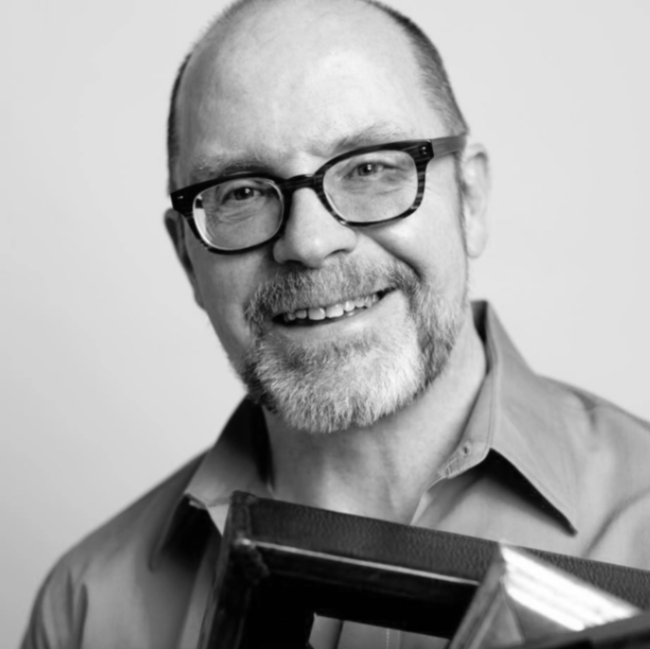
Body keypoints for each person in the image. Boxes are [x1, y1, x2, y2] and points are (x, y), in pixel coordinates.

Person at [20, 0, 650, 647]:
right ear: (188, 257)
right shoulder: (86, 610)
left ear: (471, 198)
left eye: (370, 168)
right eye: (241, 192)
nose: (310, 242)